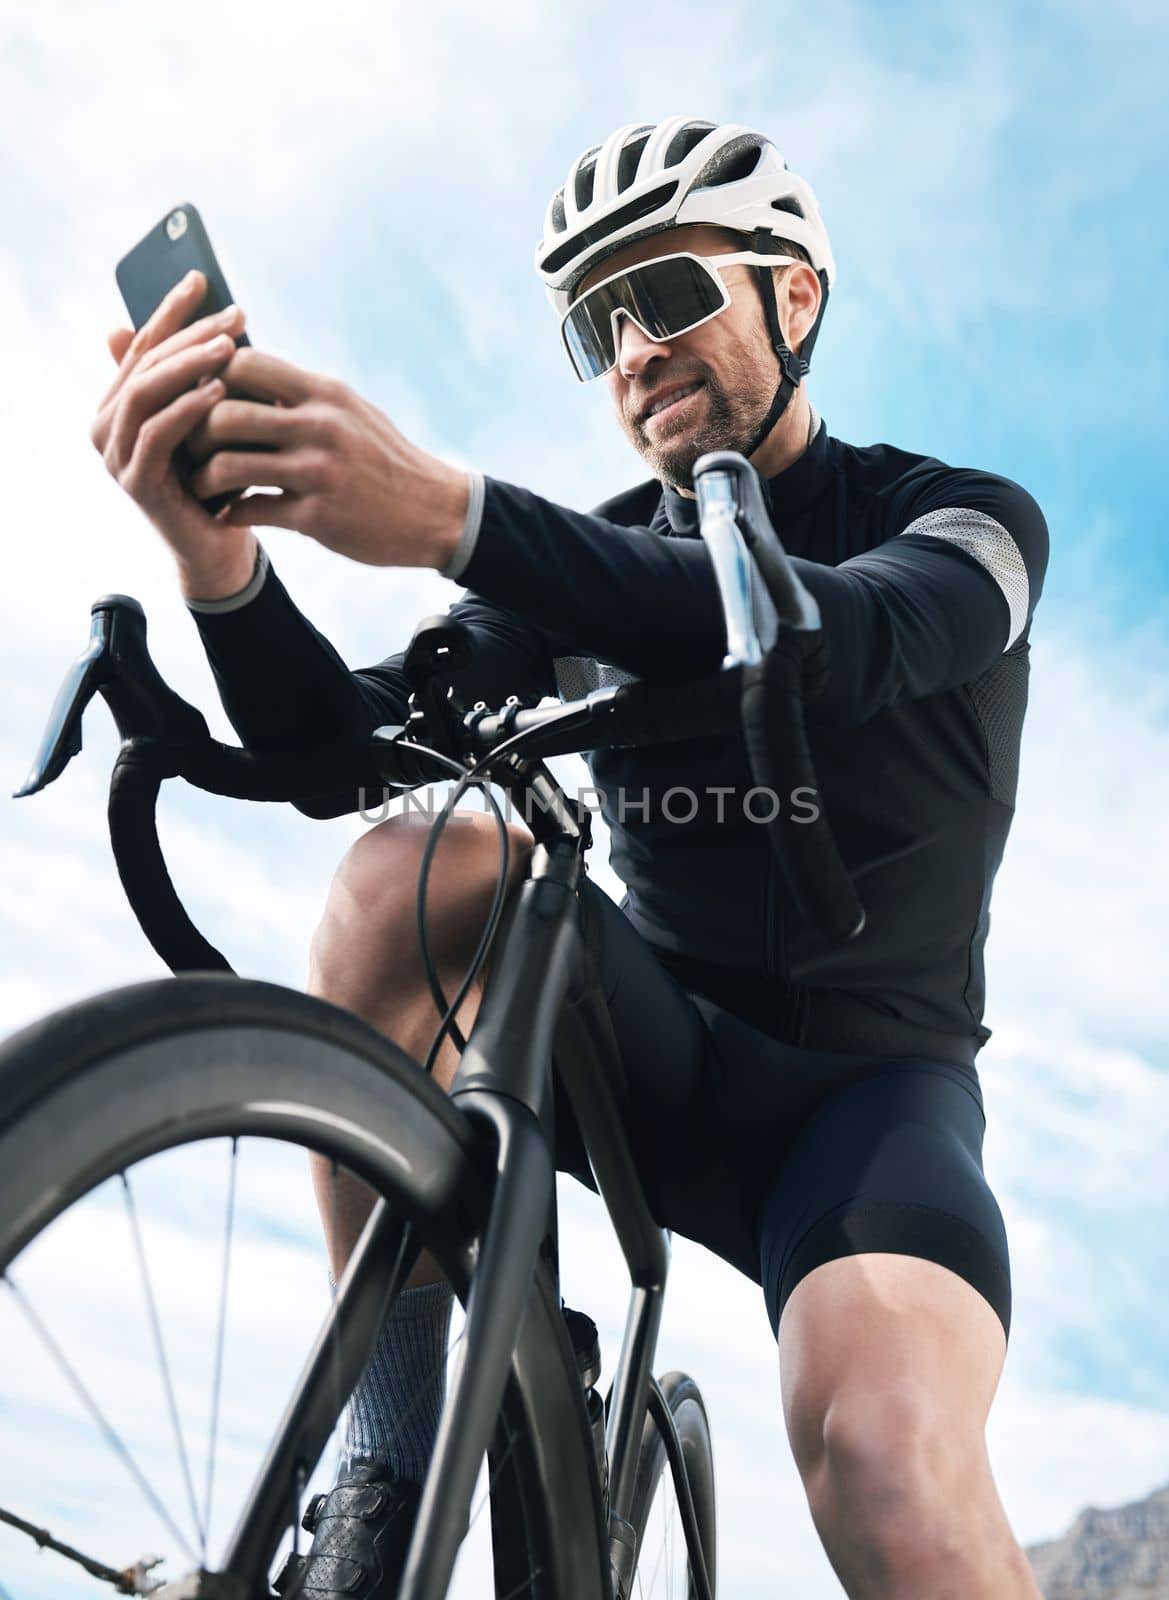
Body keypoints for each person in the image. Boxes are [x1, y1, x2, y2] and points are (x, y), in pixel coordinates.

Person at [91, 116, 1048, 1598]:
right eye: (594, 325)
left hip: (871, 1110)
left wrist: (453, 521)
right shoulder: (581, 561)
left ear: (795, 298)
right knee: (399, 870)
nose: (632, 350)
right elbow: (340, 750)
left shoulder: (960, 522)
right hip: (648, 1061)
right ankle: (386, 1468)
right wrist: (226, 570)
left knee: (880, 1458)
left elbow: (834, 634)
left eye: (667, 296)